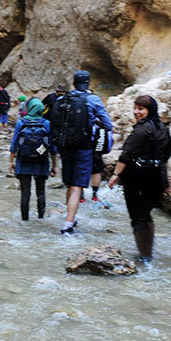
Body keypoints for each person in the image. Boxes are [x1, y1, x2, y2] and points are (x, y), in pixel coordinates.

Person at [108, 95, 171, 263]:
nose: (136, 112)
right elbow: (166, 156)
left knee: (137, 217)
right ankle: (148, 252)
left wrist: (116, 175)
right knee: (146, 214)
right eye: (135, 108)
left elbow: (127, 155)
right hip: (156, 177)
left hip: (138, 177)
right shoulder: (162, 128)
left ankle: (144, 256)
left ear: (149, 110)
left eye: (141, 109)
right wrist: (166, 180)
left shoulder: (142, 130)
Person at [55, 70, 113, 234]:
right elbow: (108, 124)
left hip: (65, 146)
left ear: (73, 83)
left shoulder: (62, 98)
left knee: (69, 184)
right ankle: (68, 222)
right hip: (84, 147)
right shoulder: (93, 99)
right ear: (88, 83)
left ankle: (69, 215)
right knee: (77, 186)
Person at [9, 98, 57, 221]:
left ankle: (25, 220)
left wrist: (10, 162)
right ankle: (41, 219)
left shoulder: (21, 123)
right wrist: (54, 166)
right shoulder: (46, 123)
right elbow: (52, 147)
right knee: (41, 192)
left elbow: (14, 145)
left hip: (23, 161)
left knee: (25, 193)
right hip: (41, 162)